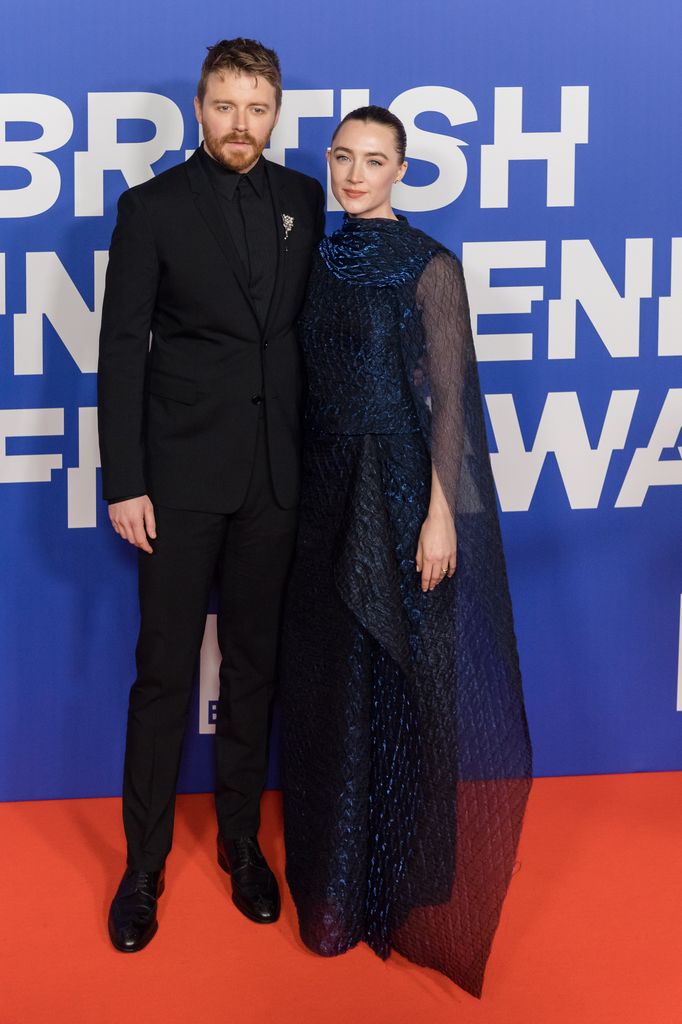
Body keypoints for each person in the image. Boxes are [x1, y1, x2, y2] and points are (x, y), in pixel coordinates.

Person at [281, 107, 532, 997]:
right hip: (320, 491)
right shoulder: (312, 257)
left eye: (373, 161)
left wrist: (440, 515)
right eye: (343, 158)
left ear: (401, 169)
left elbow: (452, 405)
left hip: (396, 490)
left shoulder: (431, 267)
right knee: (326, 693)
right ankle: (331, 888)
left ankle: (394, 883)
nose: (354, 175)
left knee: (398, 682)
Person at [97, 37, 325, 953]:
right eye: (225, 106)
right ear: (200, 110)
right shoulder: (149, 209)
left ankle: (240, 845)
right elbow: (121, 350)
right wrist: (127, 481)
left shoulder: (305, 200)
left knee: (256, 669)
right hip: (180, 484)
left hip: (277, 479)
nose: (242, 124)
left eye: (257, 107)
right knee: (162, 676)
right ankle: (142, 866)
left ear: (276, 113)